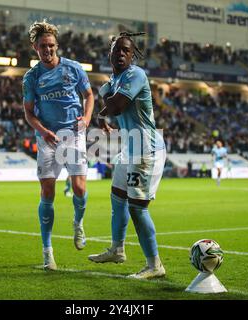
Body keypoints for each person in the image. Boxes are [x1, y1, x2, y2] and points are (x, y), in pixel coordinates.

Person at [88, 32, 166, 279]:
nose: (121, 54)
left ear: (133, 55)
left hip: (146, 151)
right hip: (129, 149)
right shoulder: (115, 78)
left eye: (126, 51)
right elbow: (107, 98)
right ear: (110, 54)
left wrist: (102, 111)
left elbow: (116, 105)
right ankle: (117, 249)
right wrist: (105, 104)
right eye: (117, 50)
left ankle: (154, 265)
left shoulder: (135, 74)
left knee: (137, 208)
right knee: (117, 196)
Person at [22, 21, 94, 271]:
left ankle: (78, 222)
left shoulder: (73, 68)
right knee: (48, 193)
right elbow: (29, 113)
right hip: (47, 138)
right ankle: (47, 252)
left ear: (57, 46)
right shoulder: (31, 77)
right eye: (43, 46)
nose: (48, 50)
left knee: (79, 187)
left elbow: (89, 96)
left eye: (51, 45)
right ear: (35, 47)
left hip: (73, 134)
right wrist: (42, 131)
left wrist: (86, 119)